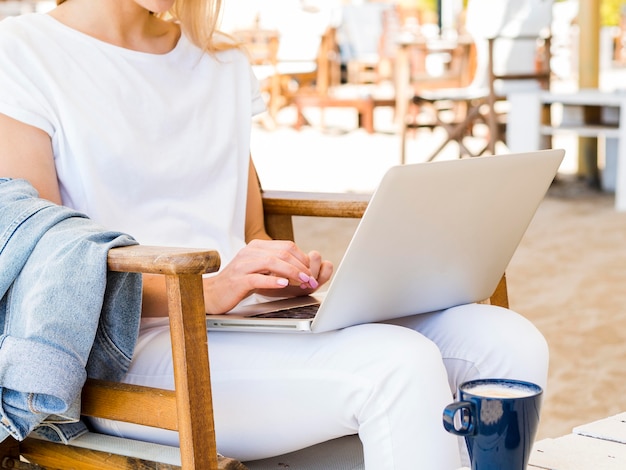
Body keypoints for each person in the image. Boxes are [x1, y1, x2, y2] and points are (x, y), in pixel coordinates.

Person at [0, 0, 549, 468]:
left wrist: (278, 273)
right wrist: (210, 290)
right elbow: (46, 265)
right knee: (397, 365)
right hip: (134, 343)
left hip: (243, 322)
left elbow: (250, 230)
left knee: (504, 340)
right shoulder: (23, 51)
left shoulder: (220, 60)